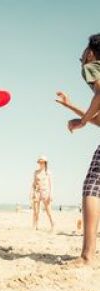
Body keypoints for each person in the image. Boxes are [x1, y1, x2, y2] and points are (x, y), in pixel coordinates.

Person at [56, 33, 100, 265]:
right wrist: (71, 106)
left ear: (92, 52)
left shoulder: (91, 66)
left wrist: (82, 122)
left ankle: (87, 256)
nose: (81, 59)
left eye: (82, 54)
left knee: (92, 186)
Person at [30, 155, 55, 231]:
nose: (41, 164)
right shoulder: (36, 172)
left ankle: (52, 224)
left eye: (42, 162)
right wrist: (32, 192)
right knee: (36, 211)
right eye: (40, 162)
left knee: (48, 210)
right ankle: (35, 226)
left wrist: (51, 194)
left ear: (45, 163)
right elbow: (33, 183)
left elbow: (51, 184)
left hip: (45, 192)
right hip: (37, 192)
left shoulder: (48, 173)